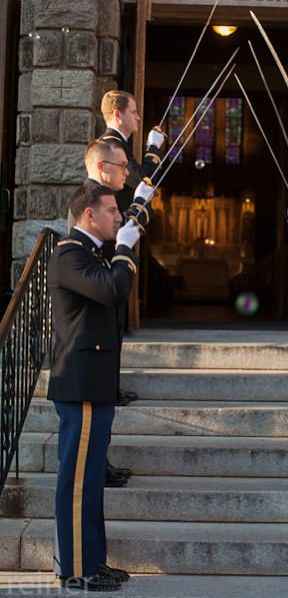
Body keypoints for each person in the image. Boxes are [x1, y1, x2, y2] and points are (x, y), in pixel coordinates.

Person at [49, 183, 143, 591]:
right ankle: (76, 568)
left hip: (95, 385)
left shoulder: (92, 254)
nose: (118, 218)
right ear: (89, 214)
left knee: (89, 482)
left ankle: (93, 562)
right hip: (82, 385)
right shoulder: (69, 254)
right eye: (112, 211)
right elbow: (113, 289)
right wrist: (124, 249)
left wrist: (139, 207)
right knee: (78, 482)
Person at [77, 138, 155, 489]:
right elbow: (108, 249)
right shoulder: (90, 200)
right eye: (121, 166)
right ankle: (100, 462)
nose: (126, 171)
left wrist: (139, 203)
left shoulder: (107, 198)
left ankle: (102, 461)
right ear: (101, 168)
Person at [99, 90, 165, 212]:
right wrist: (154, 147)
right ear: (118, 115)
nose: (138, 118)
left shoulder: (116, 142)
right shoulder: (112, 145)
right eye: (133, 112)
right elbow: (142, 180)